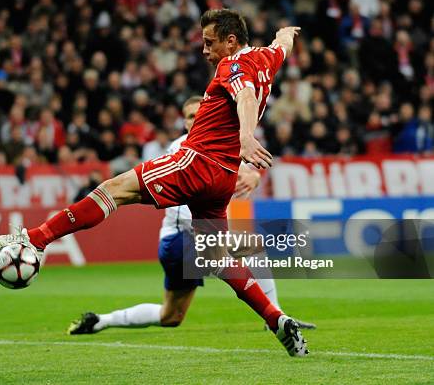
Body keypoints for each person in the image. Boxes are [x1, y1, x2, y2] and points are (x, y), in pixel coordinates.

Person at [0, 9, 308, 356]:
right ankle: (276, 319)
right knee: (216, 256)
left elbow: (244, 96)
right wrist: (284, 33)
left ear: (231, 42)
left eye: (209, 42)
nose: (204, 50)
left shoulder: (232, 67)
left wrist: (246, 136)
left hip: (195, 162)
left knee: (113, 190)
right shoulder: (266, 59)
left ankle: (35, 239)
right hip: (223, 178)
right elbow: (282, 45)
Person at [67, 97, 316, 335]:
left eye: (200, 114)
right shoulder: (181, 147)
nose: (195, 120)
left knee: (171, 316)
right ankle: (277, 317)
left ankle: (100, 321)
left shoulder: (217, 145)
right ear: (184, 122)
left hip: (185, 240)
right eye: (190, 116)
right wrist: (248, 173)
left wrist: (253, 174)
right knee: (252, 247)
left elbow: (244, 169)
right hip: (184, 236)